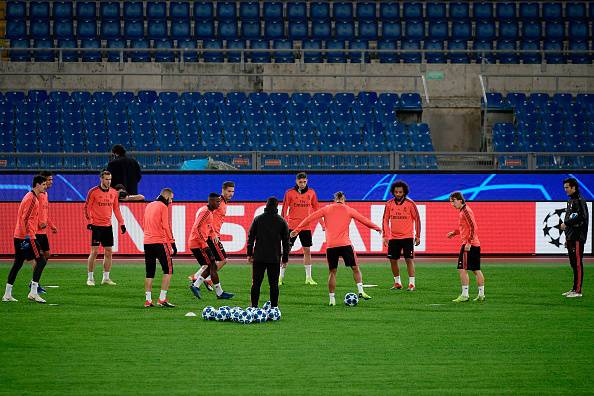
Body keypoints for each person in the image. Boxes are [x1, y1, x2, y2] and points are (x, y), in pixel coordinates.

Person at [290, 191, 382, 306]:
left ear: (334, 199)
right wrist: (377, 228)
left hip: (331, 246)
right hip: (345, 244)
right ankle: (361, 291)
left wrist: (297, 229)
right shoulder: (349, 209)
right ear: (344, 199)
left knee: (332, 272)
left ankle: (332, 300)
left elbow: (309, 218)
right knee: (355, 268)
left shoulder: (326, 209)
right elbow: (364, 220)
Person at [2, 175, 49, 303]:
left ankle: (7, 294)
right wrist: (27, 237)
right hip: (26, 237)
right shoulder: (32, 199)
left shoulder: (31, 197)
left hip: (20, 236)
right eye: (44, 184)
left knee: (17, 264)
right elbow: (25, 219)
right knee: (41, 261)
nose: (46, 187)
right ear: (37, 185)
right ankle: (33, 292)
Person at [190, 181, 235, 291]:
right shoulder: (219, 203)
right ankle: (205, 279)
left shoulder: (222, 203)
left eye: (233, 191)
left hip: (213, 235)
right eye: (229, 191)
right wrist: (213, 233)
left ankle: (197, 278)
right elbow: (208, 216)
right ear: (223, 190)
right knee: (222, 260)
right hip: (212, 236)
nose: (231, 193)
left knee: (213, 263)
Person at [84, 170, 126, 286]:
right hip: (96, 226)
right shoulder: (93, 192)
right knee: (95, 252)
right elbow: (87, 207)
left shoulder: (113, 192)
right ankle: (90, 278)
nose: (109, 181)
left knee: (108, 252)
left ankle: (106, 278)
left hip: (108, 226)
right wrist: (90, 222)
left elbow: (116, 209)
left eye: (110, 179)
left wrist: (121, 223)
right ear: (101, 179)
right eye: (107, 179)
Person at [247, 197, 290, 308]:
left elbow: (251, 237)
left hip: (259, 257)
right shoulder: (281, 221)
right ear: (277, 206)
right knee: (274, 285)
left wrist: (249, 254)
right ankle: (274, 307)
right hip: (274, 258)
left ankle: (254, 307)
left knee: (256, 283)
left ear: (266, 205)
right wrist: (285, 259)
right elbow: (286, 242)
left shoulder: (258, 219)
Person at [281, 172, 324, 286]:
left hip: (306, 226)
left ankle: (308, 278)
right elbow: (284, 209)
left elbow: (317, 209)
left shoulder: (312, 193)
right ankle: (280, 277)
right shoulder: (289, 193)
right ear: (296, 182)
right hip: (292, 226)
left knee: (307, 251)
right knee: (286, 251)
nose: (302, 184)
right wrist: (281, 224)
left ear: (307, 181)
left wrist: (322, 224)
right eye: (300, 182)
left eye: (304, 182)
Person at [382, 180, 421, 291]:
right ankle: (397, 283)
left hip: (407, 237)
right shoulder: (389, 204)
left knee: (408, 259)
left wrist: (418, 235)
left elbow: (417, 219)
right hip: (393, 238)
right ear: (393, 192)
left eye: (400, 192)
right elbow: (385, 219)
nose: (398, 194)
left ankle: (412, 283)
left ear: (404, 192)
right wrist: (385, 236)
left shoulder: (410, 204)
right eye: (396, 192)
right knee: (392, 260)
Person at [447, 192, 485, 303]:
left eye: (453, 201)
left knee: (461, 269)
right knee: (476, 270)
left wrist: (468, 242)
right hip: (474, 244)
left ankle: (465, 295)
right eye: (451, 202)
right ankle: (481, 295)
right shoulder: (464, 211)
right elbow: (467, 228)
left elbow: (474, 227)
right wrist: (455, 232)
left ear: (460, 200)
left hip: (469, 245)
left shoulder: (465, 211)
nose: (452, 204)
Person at [143, 188, 177, 308]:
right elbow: (166, 226)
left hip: (147, 242)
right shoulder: (163, 207)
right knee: (168, 270)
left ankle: (148, 300)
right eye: (171, 198)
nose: (171, 201)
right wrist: (172, 243)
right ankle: (162, 299)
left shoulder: (149, 205)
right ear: (167, 197)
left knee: (150, 272)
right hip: (159, 242)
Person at [559, 177, 589, 298]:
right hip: (571, 237)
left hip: (577, 237)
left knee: (577, 263)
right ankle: (574, 288)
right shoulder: (570, 201)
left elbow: (582, 217)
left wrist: (567, 223)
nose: (565, 190)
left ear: (573, 187)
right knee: (573, 263)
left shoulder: (580, 201)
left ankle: (578, 290)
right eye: (564, 187)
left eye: (567, 187)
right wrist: (567, 237)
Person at [32, 171, 58, 294]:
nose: (51, 182)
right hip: (35, 231)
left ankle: (35, 281)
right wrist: (37, 223)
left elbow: (45, 214)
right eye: (49, 180)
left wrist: (51, 225)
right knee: (38, 258)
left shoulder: (45, 194)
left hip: (43, 231)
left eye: (51, 180)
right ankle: (34, 284)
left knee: (47, 254)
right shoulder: (37, 195)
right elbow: (33, 212)